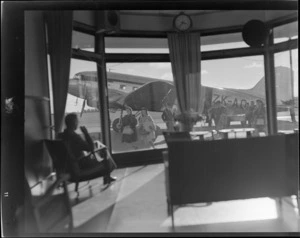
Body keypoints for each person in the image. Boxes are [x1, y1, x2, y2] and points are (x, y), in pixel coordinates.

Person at [59, 113, 116, 184]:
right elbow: (90, 148)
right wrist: (86, 133)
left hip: (68, 167)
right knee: (105, 154)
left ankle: (107, 177)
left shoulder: (61, 136)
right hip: (80, 166)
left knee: (98, 148)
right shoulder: (74, 137)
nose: (78, 123)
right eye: (77, 121)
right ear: (74, 123)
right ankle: (107, 177)